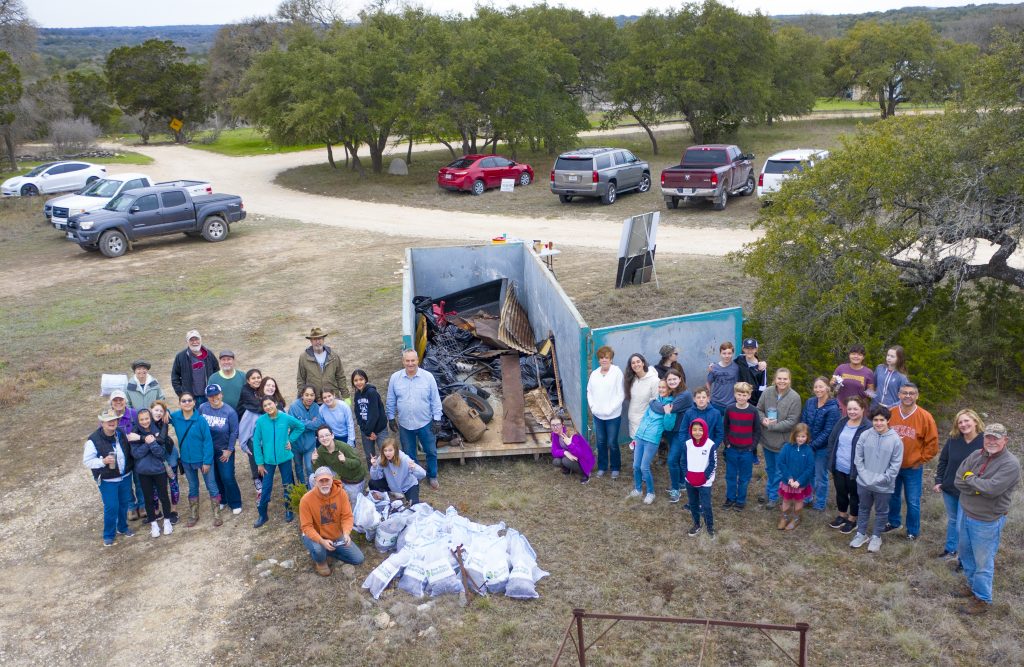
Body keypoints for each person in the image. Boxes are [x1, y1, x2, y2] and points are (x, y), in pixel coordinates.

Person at [952, 423, 1021, 615]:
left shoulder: (1010, 464)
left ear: (1005, 440)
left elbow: (991, 490)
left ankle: (982, 599)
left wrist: (971, 481)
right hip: (966, 513)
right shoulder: (976, 455)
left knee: (983, 561)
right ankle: (972, 586)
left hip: (987, 520)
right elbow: (958, 479)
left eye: (996, 438)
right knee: (966, 554)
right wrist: (977, 486)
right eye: (988, 437)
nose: (991, 441)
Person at [884, 382, 939, 540]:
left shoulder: (925, 416)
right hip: (891, 466)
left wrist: (920, 460)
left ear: (917, 396)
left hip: (912, 467)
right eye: (904, 393)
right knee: (892, 496)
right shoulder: (890, 413)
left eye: (911, 393)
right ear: (899, 395)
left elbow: (932, 444)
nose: (908, 396)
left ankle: (912, 531)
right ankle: (893, 522)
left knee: (913, 500)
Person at [386, 348, 443, 489]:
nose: (410, 364)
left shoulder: (428, 377)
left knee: (430, 451)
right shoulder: (395, 378)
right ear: (403, 361)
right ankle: (415, 475)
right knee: (409, 453)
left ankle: (432, 475)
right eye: (407, 361)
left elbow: (435, 399)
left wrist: (437, 419)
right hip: (405, 424)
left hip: (425, 422)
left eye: (413, 360)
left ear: (418, 361)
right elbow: (391, 400)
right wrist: (391, 418)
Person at [849, 406, 903, 553]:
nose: (878, 423)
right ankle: (861, 534)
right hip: (864, 483)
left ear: (888, 421)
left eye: (882, 420)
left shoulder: (896, 440)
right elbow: (858, 458)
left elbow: (895, 466)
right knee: (863, 508)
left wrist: (880, 479)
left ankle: (876, 536)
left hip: (884, 485)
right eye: (875, 420)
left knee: (881, 512)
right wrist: (865, 477)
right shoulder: (865, 435)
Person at [933, 409, 985, 561]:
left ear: (975, 421)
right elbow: (943, 461)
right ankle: (950, 550)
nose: (963, 424)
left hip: (969, 491)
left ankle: (964, 558)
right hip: (949, 488)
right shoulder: (954, 439)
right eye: (960, 422)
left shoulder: (984, 442)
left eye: (966, 420)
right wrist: (939, 481)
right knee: (953, 520)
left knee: (962, 526)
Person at [83, 409, 135, 547]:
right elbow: (87, 461)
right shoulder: (93, 440)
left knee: (124, 503)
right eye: (108, 421)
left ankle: (122, 527)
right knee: (111, 507)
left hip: (125, 476)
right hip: (107, 480)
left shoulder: (120, 433)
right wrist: (103, 462)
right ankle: (108, 535)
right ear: (102, 423)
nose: (112, 423)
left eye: (114, 420)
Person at [300, 467, 365, 576]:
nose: (324, 483)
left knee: (358, 559)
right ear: (315, 481)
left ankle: (329, 551)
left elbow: (347, 516)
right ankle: (320, 561)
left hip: (335, 534)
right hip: (315, 535)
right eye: (321, 481)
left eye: (327, 480)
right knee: (318, 549)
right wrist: (321, 541)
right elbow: (307, 527)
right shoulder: (306, 500)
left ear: (332, 479)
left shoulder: (341, 494)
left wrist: (346, 533)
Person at [252, 396, 305, 528]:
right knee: (266, 487)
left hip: (285, 457)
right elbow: (256, 443)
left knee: (287, 484)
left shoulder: (285, 418)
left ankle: (289, 509)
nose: (268, 407)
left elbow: (300, 427)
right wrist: (259, 462)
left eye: (270, 404)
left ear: (275, 403)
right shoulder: (261, 421)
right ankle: (263, 514)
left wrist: (290, 440)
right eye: (265, 406)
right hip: (268, 460)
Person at [171, 392, 221, 528]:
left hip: (203, 460)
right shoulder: (175, 417)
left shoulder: (201, 420)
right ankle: (194, 514)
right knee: (193, 487)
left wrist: (207, 461)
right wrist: (164, 413)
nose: (187, 403)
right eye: (183, 401)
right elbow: (162, 413)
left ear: (194, 403)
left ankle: (217, 514)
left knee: (211, 485)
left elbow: (207, 442)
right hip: (187, 461)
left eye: (189, 400)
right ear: (179, 403)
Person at [756, 368, 802, 509]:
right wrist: (763, 420)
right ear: (775, 379)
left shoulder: (795, 397)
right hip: (767, 440)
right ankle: (770, 491)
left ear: (789, 380)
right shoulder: (767, 392)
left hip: (783, 442)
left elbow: (792, 421)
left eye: (785, 379)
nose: (782, 381)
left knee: (779, 470)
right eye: (779, 378)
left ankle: (774, 496)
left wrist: (771, 426)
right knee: (770, 469)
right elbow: (758, 409)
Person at [826, 396, 871, 533]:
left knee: (854, 495)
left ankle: (852, 519)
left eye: (855, 409)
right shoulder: (842, 422)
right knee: (841, 492)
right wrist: (831, 459)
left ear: (863, 409)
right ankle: (842, 515)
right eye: (849, 409)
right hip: (839, 465)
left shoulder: (867, 427)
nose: (852, 412)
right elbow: (832, 440)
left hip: (855, 469)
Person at [671, 387, 723, 503]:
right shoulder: (689, 413)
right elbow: (683, 431)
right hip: (692, 451)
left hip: (706, 451)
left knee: (705, 474)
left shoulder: (715, 413)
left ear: (708, 399)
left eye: (704, 397)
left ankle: (703, 501)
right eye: (698, 397)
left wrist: (713, 447)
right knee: (692, 474)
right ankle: (693, 501)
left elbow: (719, 433)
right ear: (694, 399)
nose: (701, 400)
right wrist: (685, 446)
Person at [129, 408, 174, 538]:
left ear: (150, 418)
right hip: (143, 472)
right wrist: (147, 441)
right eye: (141, 419)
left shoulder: (158, 431)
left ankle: (167, 521)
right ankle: (153, 523)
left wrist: (150, 441)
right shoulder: (134, 433)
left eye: (147, 418)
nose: (144, 421)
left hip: (159, 470)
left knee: (164, 496)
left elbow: (161, 452)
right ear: (138, 420)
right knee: (148, 498)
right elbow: (136, 454)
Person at [629, 379, 676, 504]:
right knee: (636, 466)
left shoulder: (670, 405)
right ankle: (638, 489)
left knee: (644, 467)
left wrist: (668, 414)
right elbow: (645, 418)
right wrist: (637, 435)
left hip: (652, 439)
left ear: (670, 390)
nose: (661, 390)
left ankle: (651, 493)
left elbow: (668, 427)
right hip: (640, 437)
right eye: (659, 387)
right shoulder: (654, 402)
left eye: (664, 388)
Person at [199, 384, 242, 516]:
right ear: (207, 397)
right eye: (211, 396)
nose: (214, 397)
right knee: (215, 476)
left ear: (221, 394)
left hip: (224, 450)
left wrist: (229, 450)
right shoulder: (202, 408)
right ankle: (222, 499)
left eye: (216, 394)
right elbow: (198, 425)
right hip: (208, 450)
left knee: (227, 476)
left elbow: (234, 432)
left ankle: (235, 502)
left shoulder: (229, 411)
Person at [801, 377, 840, 512]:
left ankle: (820, 502)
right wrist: (804, 441)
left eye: (821, 387)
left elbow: (828, 431)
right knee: (807, 473)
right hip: (807, 444)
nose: (818, 389)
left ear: (827, 388)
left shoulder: (833, 408)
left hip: (822, 449)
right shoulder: (810, 402)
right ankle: (807, 498)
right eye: (816, 387)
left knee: (820, 476)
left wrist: (813, 445)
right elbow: (804, 421)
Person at [586, 345, 625, 479]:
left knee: (612, 442)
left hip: (613, 415)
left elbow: (621, 394)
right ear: (599, 360)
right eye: (601, 358)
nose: (604, 360)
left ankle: (615, 467)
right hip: (598, 414)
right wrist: (593, 407)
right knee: (601, 441)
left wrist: (611, 409)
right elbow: (589, 392)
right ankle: (602, 466)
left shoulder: (617, 372)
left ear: (611, 359)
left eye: (606, 358)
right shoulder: (595, 374)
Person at [722, 382, 762, 511]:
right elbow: (725, 428)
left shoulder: (753, 411)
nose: (741, 397)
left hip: (747, 450)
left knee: (744, 477)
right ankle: (730, 498)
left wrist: (752, 446)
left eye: (744, 395)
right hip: (732, 449)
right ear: (734, 394)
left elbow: (757, 431)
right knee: (731, 476)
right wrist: (727, 443)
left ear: (749, 395)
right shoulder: (729, 409)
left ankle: (740, 500)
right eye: (739, 394)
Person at [311, 425, 368, 510]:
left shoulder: (343, 447)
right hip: (339, 476)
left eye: (327, 435)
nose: (324, 438)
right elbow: (318, 471)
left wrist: (345, 460)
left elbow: (358, 462)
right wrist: (314, 461)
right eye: (321, 437)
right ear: (318, 439)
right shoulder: (321, 450)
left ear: (332, 435)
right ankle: (325, 503)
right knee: (312, 477)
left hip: (354, 480)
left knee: (354, 507)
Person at [109, 389, 143, 520]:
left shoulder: (134, 414)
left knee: (140, 480)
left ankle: (142, 505)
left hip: (137, 452)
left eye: (120, 400)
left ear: (125, 401)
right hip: (121, 456)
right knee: (126, 483)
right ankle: (131, 507)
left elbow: (144, 427)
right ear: (111, 403)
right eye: (115, 400)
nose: (118, 402)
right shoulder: (107, 416)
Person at [682, 418, 718, 538]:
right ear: (691, 430)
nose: (697, 432)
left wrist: (705, 477)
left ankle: (710, 527)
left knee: (706, 505)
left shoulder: (710, 445)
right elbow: (683, 461)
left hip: (705, 482)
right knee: (693, 503)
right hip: (690, 481)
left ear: (705, 430)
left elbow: (713, 463)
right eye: (695, 429)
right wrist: (687, 475)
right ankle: (697, 524)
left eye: (700, 430)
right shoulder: (687, 444)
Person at [777, 424, 815, 530]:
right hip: (787, 481)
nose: (800, 439)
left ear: (807, 437)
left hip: (800, 484)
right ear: (794, 435)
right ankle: (784, 517)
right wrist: (789, 478)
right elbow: (781, 463)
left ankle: (796, 518)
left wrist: (799, 481)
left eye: (803, 436)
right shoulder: (787, 447)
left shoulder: (808, 450)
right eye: (798, 436)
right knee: (786, 500)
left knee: (799, 501)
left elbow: (810, 468)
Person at [297, 327, 349, 401]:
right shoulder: (304, 358)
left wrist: (346, 396)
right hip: (314, 400)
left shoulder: (333, 356)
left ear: (323, 339)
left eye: (320, 338)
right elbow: (301, 379)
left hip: (332, 398)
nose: (317, 341)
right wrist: (300, 397)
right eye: (315, 339)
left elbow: (340, 377)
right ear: (311, 341)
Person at [288, 384, 324, 491]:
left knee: (309, 467)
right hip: (296, 444)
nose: (309, 397)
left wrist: (301, 424)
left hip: (310, 444)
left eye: (312, 395)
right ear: (302, 395)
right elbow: (292, 424)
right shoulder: (294, 406)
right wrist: (309, 423)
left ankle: (311, 487)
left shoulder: (316, 407)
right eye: (307, 395)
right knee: (298, 467)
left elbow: (317, 424)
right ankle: (302, 487)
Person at [369, 438, 427, 504]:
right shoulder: (382, 458)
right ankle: (380, 501)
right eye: (385, 450)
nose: (387, 453)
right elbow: (375, 478)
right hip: (391, 484)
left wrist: (414, 468)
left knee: (414, 505)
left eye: (390, 450)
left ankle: (403, 495)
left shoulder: (404, 459)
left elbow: (423, 474)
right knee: (372, 483)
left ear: (395, 450)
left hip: (408, 486)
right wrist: (374, 467)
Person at [149, 400, 179, 522]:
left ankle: (174, 510)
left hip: (169, 453)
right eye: (156, 410)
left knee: (173, 482)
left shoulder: (165, 420)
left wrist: (167, 412)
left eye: (161, 411)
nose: (159, 413)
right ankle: (157, 511)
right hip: (154, 457)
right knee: (155, 486)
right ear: (150, 410)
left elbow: (174, 414)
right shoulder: (145, 421)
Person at [236, 369, 265, 496]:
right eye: (253, 378)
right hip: (247, 428)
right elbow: (258, 406)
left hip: (259, 427)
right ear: (248, 380)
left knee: (263, 452)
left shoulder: (261, 389)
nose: (256, 380)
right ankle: (257, 479)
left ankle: (264, 477)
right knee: (253, 453)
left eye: (258, 377)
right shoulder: (245, 390)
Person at [170, 330, 220, 402]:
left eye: (196, 339)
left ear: (200, 340)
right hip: (190, 399)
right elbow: (175, 377)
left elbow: (216, 373)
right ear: (187, 342)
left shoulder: (209, 354)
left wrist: (214, 391)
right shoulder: (180, 357)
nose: (194, 342)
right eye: (191, 340)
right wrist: (182, 394)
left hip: (208, 397)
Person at [623, 353, 660, 446]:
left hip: (645, 423)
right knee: (636, 452)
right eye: (633, 363)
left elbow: (657, 402)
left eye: (638, 361)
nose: (636, 365)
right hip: (633, 421)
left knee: (644, 454)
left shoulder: (654, 380)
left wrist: (650, 421)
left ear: (643, 363)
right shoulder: (632, 379)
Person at [352, 371, 388, 461]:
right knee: (370, 456)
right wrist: (366, 431)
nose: (358, 382)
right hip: (366, 431)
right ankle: (374, 474)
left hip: (379, 430)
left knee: (386, 454)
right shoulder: (357, 394)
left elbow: (374, 414)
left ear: (366, 379)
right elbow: (357, 413)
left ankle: (389, 474)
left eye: (361, 379)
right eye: (355, 380)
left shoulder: (371, 392)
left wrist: (370, 432)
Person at [549, 415, 595, 484]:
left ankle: (584, 473)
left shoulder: (572, 435)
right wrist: (565, 453)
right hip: (572, 456)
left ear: (562, 425)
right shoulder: (554, 434)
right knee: (556, 461)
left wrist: (570, 444)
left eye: (558, 425)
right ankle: (569, 468)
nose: (555, 427)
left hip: (585, 459)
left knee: (565, 460)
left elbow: (580, 454)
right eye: (553, 425)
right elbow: (554, 451)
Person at [831, 344, 875, 417]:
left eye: (859, 354)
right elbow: (831, 383)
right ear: (849, 355)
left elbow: (871, 394)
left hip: (859, 408)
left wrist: (866, 392)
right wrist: (834, 383)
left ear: (863, 357)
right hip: (841, 406)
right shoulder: (841, 368)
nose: (856, 356)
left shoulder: (868, 372)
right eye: (853, 354)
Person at [706, 341, 739, 414]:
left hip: (731, 404)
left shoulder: (736, 367)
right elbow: (708, 383)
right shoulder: (714, 367)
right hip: (716, 403)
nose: (726, 356)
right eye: (724, 353)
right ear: (720, 354)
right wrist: (708, 397)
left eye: (729, 353)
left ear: (732, 354)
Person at [871, 345, 908, 409]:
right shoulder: (879, 368)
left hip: (890, 410)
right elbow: (872, 385)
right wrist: (874, 398)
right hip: (874, 407)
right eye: (888, 355)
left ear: (899, 358)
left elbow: (905, 397)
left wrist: (891, 406)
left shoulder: (902, 377)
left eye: (892, 356)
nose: (888, 358)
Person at [735, 338, 768, 408]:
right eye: (747, 348)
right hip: (739, 400)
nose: (749, 351)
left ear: (756, 349)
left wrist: (759, 404)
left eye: (752, 348)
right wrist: (713, 365)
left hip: (753, 403)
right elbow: (727, 363)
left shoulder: (761, 367)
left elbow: (762, 388)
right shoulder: (740, 359)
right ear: (743, 349)